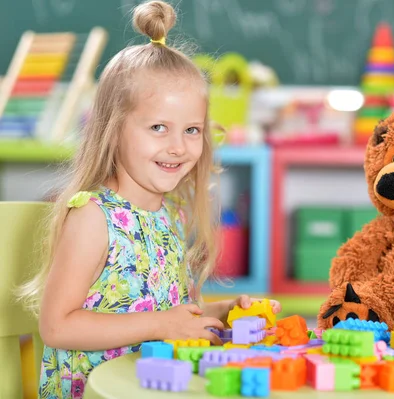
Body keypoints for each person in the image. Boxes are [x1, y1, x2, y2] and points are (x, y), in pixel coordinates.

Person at [18, 2, 281, 398]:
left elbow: (167, 315)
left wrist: (222, 314)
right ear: (113, 130)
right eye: (159, 127)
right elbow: (58, 326)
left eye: (192, 129)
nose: (178, 146)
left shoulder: (168, 214)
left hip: (148, 386)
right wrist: (162, 325)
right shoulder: (93, 217)